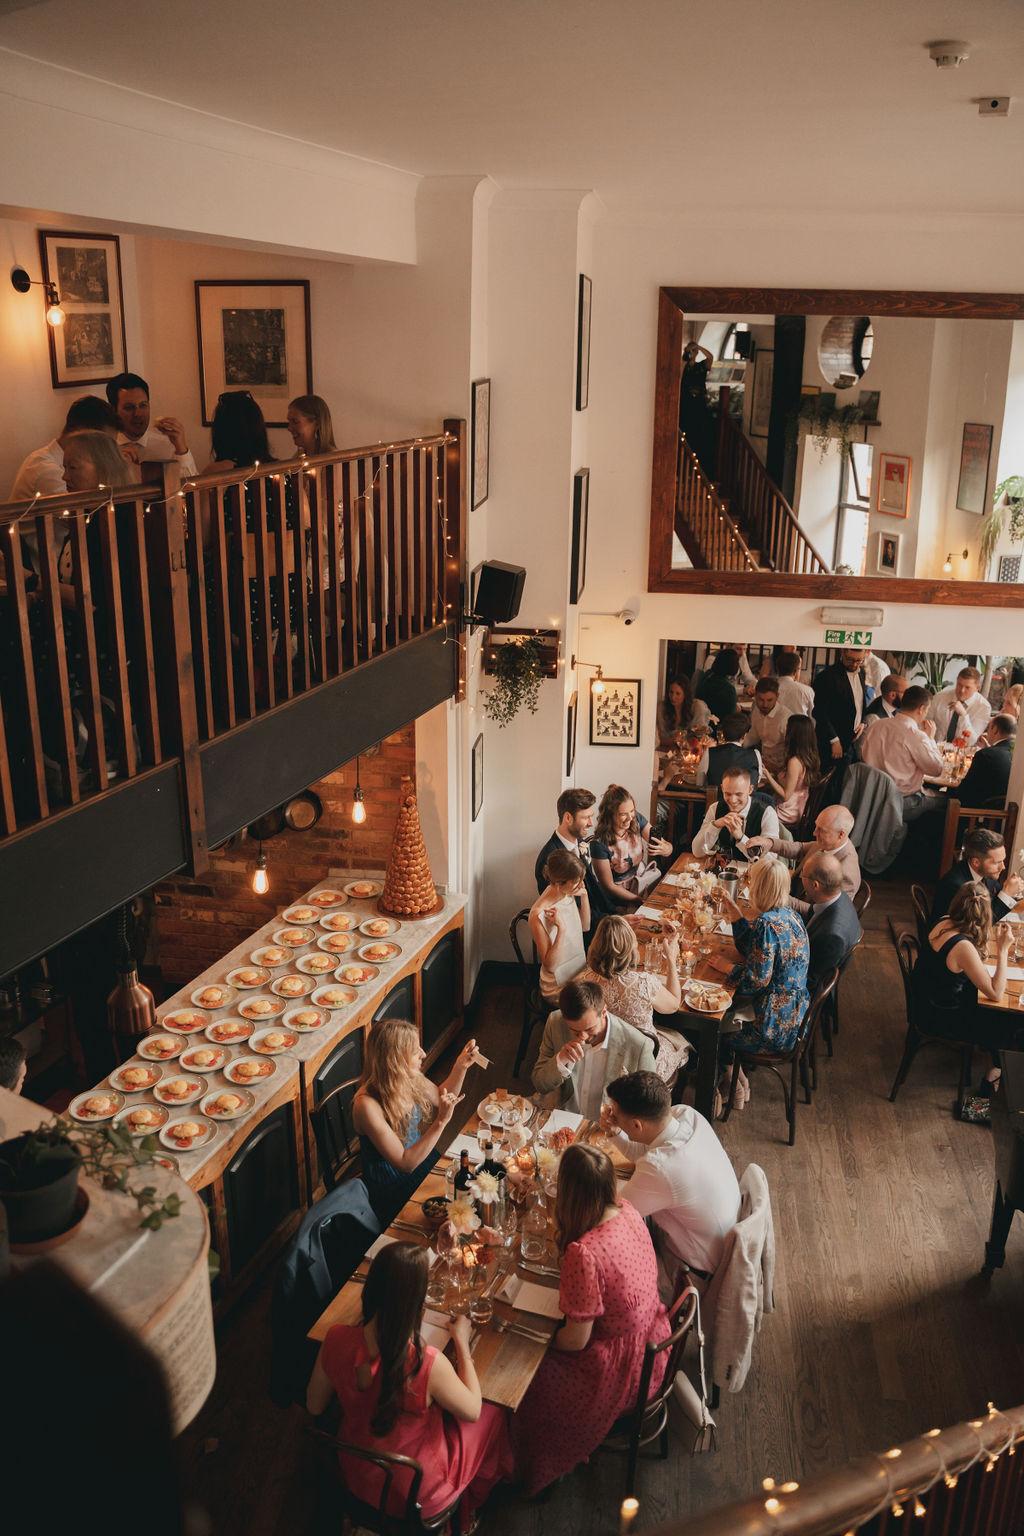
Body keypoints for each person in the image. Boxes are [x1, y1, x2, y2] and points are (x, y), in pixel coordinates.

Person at [306, 1242, 513, 1524]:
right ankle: (468, 1513)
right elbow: (473, 1409)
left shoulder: (335, 1339)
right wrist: (462, 1343)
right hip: (417, 1494)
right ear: (416, 1302)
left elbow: (314, 1405)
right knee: (493, 1413)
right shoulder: (426, 1362)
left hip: (358, 1473)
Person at [513, 1142, 671, 1495]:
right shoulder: (628, 1210)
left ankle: (540, 1467)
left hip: (619, 1372)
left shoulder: (584, 1253)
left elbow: (576, 1341)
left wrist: (535, 1340)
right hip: (653, 1342)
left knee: (524, 1382)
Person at [603, 1071, 740, 1279]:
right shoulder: (686, 1115)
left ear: (637, 1125)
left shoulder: (660, 1168)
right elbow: (645, 1153)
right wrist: (616, 1131)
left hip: (692, 1268)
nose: (614, 1117)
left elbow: (612, 1215)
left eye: (617, 1115)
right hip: (720, 1239)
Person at [352, 1018, 481, 1222]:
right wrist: (440, 1122)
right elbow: (405, 1163)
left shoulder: (407, 1076)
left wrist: (460, 1067)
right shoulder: (366, 1105)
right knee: (454, 1206)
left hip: (421, 1157)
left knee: (468, 1193)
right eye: (415, 1050)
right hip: (391, 1183)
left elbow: (440, 1097)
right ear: (395, 1060)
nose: (423, 1053)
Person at [714, 859, 810, 1108]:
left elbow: (755, 981)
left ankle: (733, 1085)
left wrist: (726, 968)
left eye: (751, 882)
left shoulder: (767, 924)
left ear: (760, 889)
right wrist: (736, 914)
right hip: (796, 1016)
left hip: (773, 1027)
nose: (748, 886)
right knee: (728, 1016)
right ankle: (739, 1079)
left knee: (715, 1028)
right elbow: (756, 952)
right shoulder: (791, 915)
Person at [912, 884, 1023, 1094]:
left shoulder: (944, 921)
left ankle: (994, 1064)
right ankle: (992, 1078)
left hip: (927, 1001)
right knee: (1010, 1019)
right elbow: (996, 992)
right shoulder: (962, 947)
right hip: (942, 1017)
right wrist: (1002, 950)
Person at [580, 915, 691, 1083]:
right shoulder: (643, 983)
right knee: (682, 1045)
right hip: (641, 1063)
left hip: (601, 1057)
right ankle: (663, 1101)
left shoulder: (585, 980)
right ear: (631, 947)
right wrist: (671, 959)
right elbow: (674, 1005)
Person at [531, 978, 657, 1115]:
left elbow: (649, 1105)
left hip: (608, 1126)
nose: (583, 1037)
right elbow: (540, 1084)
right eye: (575, 1031)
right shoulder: (555, 1022)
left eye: (589, 1029)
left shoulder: (639, 1045)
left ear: (603, 1012)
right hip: (565, 1116)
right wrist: (561, 1060)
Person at [747, 804, 861, 914]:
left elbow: (825, 914)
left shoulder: (847, 874)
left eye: (821, 830)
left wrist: (782, 898)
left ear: (841, 834)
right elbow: (799, 849)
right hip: (789, 893)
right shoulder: (828, 843)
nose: (814, 832)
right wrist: (770, 843)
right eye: (816, 826)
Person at [8, 395, 121, 501]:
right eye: (104, 444)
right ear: (79, 432)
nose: (108, 452)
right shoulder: (48, 471)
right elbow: (79, 516)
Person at [859, 684, 946, 820]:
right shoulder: (915, 735)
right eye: (927, 709)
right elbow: (937, 769)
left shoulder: (876, 725)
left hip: (871, 796)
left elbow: (863, 754)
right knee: (950, 800)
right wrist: (930, 738)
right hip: (902, 802)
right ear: (922, 709)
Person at [534, 787, 608, 929]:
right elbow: (572, 914)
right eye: (586, 817)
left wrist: (617, 914)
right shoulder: (550, 860)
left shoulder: (579, 842)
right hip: (580, 933)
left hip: (599, 919)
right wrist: (609, 922)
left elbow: (594, 892)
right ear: (568, 818)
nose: (591, 823)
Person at [591, 785, 673, 909]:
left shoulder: (637, 819)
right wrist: (638, 899)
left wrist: (667, 849)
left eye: (632, 811)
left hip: (641, 883)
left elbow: (666, 846)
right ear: (610, 815)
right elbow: (609, 886)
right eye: (623, 814)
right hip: (618, 898)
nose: (630, 818)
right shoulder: (599, 844)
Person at [106, 371, 197, 478]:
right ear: (113, 410)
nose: (138, 414)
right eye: (129, 408)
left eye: (143, 405)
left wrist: (182, 449)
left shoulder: (168, 445)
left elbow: (191, 490)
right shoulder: (106, 450)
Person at [927, 827, 1023, 926]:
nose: (1003, 867)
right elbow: (979, 925)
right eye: (997, 862)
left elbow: (997, 901)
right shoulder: (956, 885)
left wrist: (1012, 893)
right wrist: (1007, 893)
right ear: (976, 862)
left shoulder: (985, 874)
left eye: (1003, 861)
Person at [529, 848, 590, 1001]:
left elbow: (585, 926)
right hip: (557, 985)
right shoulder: (538, 914)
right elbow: (549, 965)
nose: (580, 884)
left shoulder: (566, 893)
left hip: (579, 969)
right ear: (558, 883)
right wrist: (561, 929)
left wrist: (584, 896)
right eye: (576, 882)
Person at [799, 851, 862, 993]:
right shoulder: (839, 896)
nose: (800, 876)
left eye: (803, 874)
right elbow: (812, 913)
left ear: (815, 885)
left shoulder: (833, 936)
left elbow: (811, 981)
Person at [692, 767, 780, 861]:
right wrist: (715, 825)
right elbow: (697, 852)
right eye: (728, 794)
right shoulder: (715, 808)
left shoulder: (768, 813)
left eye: (739, 794)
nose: (733, 801)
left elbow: (770, 861)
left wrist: (741, 838)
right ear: (722, 788)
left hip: (753, 872)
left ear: (750, 790)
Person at [812, 647, 870, 766]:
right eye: (850, 660)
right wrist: (834, 740)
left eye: (859, 660)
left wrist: (862, 722)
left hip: (852, 739)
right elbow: (819, 712)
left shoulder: (862, 673)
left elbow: (860, 703)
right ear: (843, 652)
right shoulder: (826, 676)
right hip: (831, 741)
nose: (854, 664)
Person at [764, 713, 819, 829]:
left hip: (788, 812)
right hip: (800, 806)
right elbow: (793, 778)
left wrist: (767, 774)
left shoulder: (794, 762)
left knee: (755, 806)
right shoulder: (809, 754)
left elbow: (786, 796)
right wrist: (773, 767)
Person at [955, 714, 1016, 806]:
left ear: (995, 730)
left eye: (988, 728)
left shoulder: (985, 755)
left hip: (972, 814)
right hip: (1001, 814)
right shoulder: (1016, 754)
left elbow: (963, 792)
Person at [928, 666, 992, 747]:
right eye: (959, 685)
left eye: (967, 687)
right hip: (935, 748)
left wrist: (963, 715)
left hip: (962, 754)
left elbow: (971, 741)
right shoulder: (939, 697)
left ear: (977, 688)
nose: (962, 690)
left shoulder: (984, 707)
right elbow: (924, 725)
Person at [678, 338, 716, 473]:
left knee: (701, 434)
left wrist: (698, 347)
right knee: (686, 432)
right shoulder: (685, 366)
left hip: (699, 404)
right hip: (686, 404)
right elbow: (680, 373)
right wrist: (686, 353)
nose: (693, 353)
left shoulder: (701, 366)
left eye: (694, 351)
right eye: (691, 351)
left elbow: (711, 357)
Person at [743, 677, 791, 777]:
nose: (765, 705)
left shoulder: (785, 718)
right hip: (764, 766)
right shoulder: (756, 710)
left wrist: (778, 768)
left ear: (777, 696)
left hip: (783, 771)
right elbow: (753, 736)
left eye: (769, 700)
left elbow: (794, 752)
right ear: (755, 696)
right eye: (761, 700)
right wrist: (735, 744)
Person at [699, 713, 762, 789]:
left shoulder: (710, 753)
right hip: (746, 800)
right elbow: (755, 782)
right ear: (744, 735)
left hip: (715, 800)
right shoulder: (755, 755)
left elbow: (699, 783)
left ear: (723, 734)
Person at [657, 676, 710, 748]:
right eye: (671, 692)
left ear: (685, 694)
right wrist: (673, 741)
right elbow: (658, 739)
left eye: (678, 693)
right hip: (666, 750)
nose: (673, 697)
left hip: (690, 752)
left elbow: (700, 737)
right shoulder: (662, 708)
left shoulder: (697, 707)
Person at [696, 647, 740, 722]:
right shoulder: (728, 689)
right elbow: (730, 716)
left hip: (702, 718)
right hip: (719, 724)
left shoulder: (707, 675)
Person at [775, 651, 815, 717]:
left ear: (777, 668)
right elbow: (812, 717)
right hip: (800, 727)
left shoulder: (767, 689)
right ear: (796, 670)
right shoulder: (807, 690)